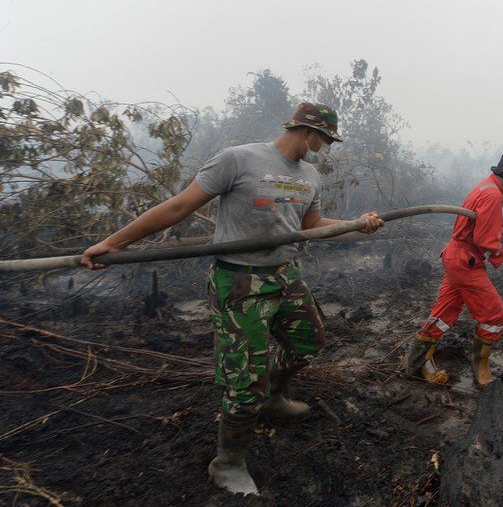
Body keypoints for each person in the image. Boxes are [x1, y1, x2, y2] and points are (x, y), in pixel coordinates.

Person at [81, 102, 384, 495]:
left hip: (283, 275)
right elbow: (178, 206)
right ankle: (228, 462)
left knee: (309, 341)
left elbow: (311, 226)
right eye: (324, 139)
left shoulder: (309, 175)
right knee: (245, 383)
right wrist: (112, 243)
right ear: (308, 132)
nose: (324, 147)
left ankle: (274, 396)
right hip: (239, 281)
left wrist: (356, 227)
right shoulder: (238, 160)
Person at [401, 153, 503, 389]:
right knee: (495, 316)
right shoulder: (493, 194)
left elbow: (495, 229)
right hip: (465, 262)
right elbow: (485, 239)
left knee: (444, 314)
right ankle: (480, 365)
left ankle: (415, 363)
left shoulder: (486, 187)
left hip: (456, 258)